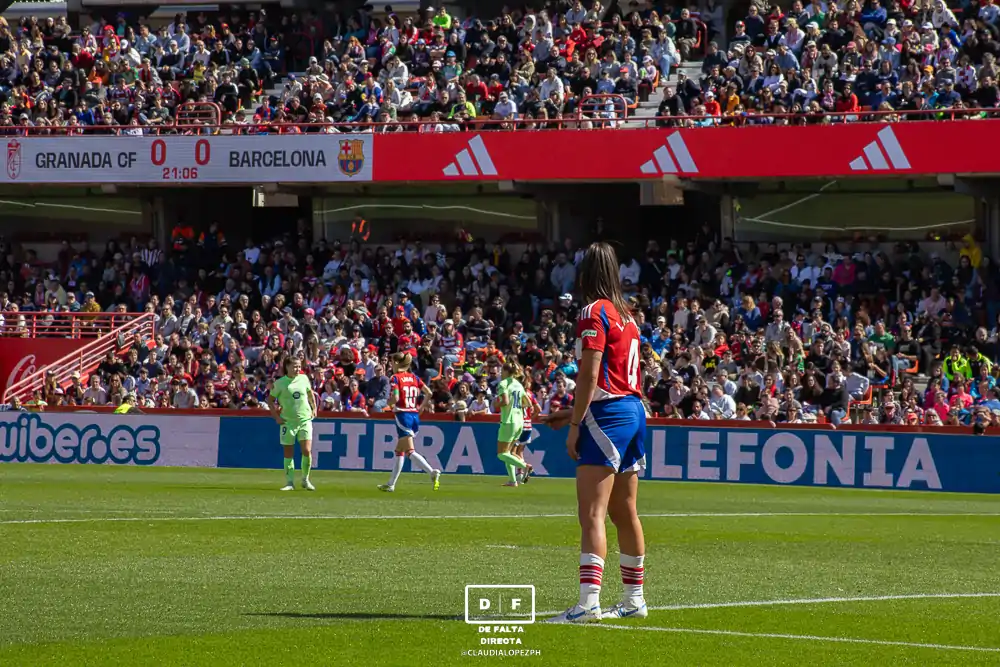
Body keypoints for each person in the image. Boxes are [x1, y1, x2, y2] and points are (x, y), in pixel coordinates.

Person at [544, 241, 647, 623]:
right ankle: (634, 599)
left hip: (607, 415)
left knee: (592, 512)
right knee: (625, 511)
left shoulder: (592, 312)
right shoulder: (628, 315)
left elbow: (590, 373)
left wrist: (575, 426)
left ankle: (588, 603)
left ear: (585, 273)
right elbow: (616, 378)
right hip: (633, 411)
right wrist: (570, 412)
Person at [378, 352, 440, 492]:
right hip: (414, 415)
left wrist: (388, 403)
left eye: (392, 362)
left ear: (396, 363)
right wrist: (421, 407)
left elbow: (395, 397)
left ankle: (432, 472)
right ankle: (391, 484)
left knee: (410, 451)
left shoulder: (395, 378)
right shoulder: (414, 377)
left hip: (402, 414)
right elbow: (429, 392)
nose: (390, 365)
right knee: (400, 450)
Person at [268, 357, 318, 491]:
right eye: (294, 366)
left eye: (299, 366)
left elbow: (309, 393)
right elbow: (270, 400)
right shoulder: (280, 383)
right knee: (288, 452)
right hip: (288, 422)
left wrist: (314, 408)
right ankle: (289, 482)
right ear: (287, 367)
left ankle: (305, 479)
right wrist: (276, 417)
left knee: (306, 450)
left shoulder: (304, 379)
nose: (297, 369)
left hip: (304, 420)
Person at [495, 360, 529, 487]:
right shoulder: (518, 385)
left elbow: (505, 401)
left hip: (509, 421)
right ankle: (512, 480)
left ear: (505, 371)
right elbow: (528, 403)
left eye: (501, 370)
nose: (500, 373)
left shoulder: (503, 384)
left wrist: (496, 404)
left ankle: (524, 466)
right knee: (508, 453)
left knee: (501, 454)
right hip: (520, 421)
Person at [514, 374, 540, 484]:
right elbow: (539, 409)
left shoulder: (517, 394)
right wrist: (530, 419)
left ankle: (525, 466)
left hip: (519, 425)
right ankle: (519, 474)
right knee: (520, 451)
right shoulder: (530, 394)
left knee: (510, 452)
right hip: (528, 426)